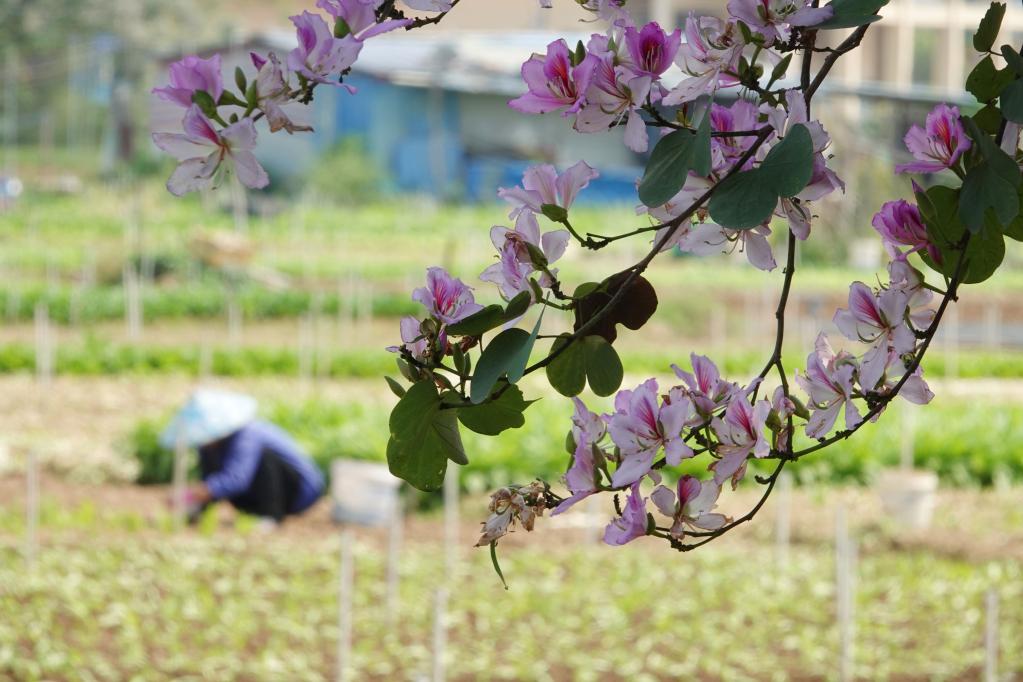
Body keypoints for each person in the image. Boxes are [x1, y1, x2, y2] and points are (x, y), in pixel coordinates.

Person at [160, 389, 325, 524]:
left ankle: (271, 516)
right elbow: (211, 480)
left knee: (264, 457)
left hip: (298, 492)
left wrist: (190, 495)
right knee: (213, 470)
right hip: (253, 499)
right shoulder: (209, 446)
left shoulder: (247, 434)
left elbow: (236, 479)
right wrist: (196, 504)